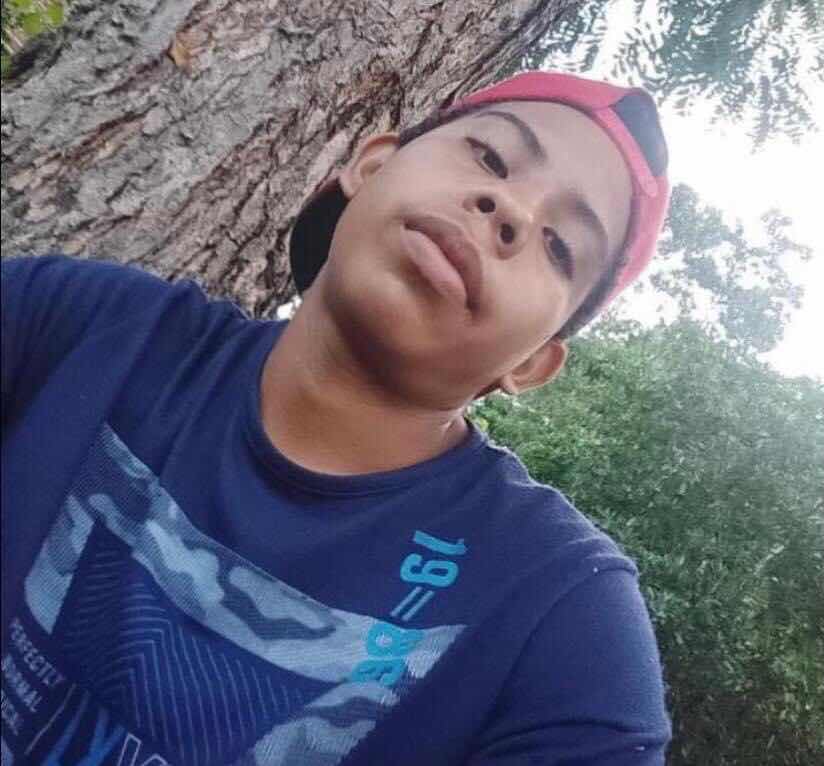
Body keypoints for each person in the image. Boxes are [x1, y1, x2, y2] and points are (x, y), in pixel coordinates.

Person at [1, 70, 672, 765]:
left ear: (532, 362)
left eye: (560, 246)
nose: (511, 210)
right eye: (491, 157)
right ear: (372, 164)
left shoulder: (559, 610)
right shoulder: (86, 325)